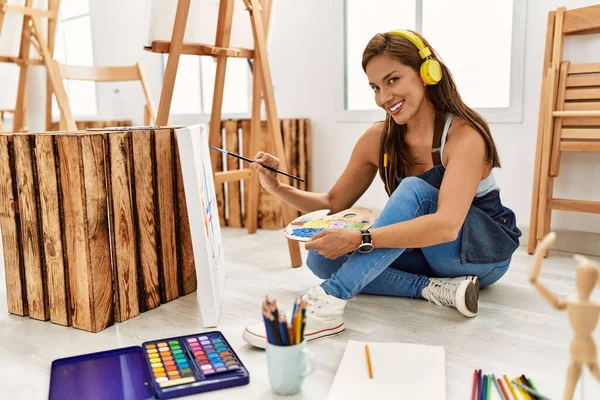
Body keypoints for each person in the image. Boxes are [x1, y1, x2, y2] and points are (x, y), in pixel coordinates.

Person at [242, 30, 521, 349]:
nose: (383, 97)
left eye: (393, 80)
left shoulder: (464, 135)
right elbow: (333, 201)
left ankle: (329, 305)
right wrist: (276, 186)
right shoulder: (378, 139)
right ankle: (433, 288)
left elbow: (446, 226)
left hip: (481, 252)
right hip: (427, 253)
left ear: (427, 72)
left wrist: (361, 238)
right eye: (375, 87)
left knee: (415, 189)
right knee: (322, 261)